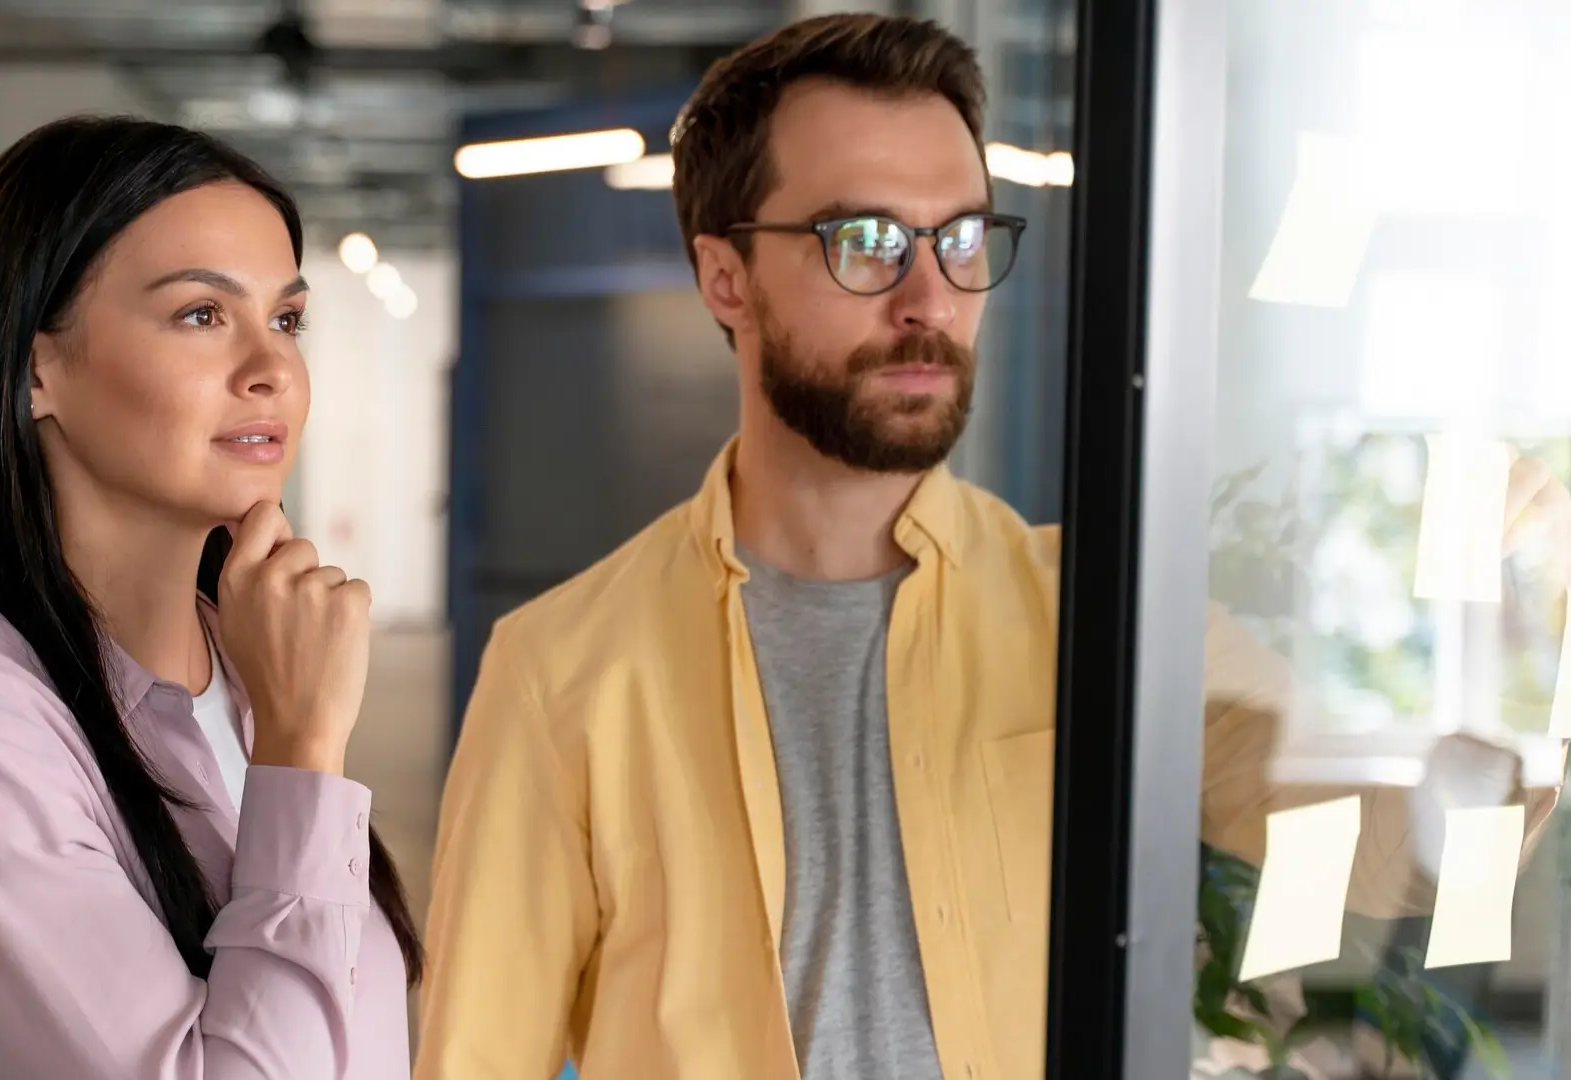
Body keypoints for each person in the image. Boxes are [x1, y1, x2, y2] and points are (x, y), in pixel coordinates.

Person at [413, 14, 1567, 1080]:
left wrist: (1521, 661)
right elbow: (476, 1060)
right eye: (866, 240)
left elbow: (1377, 854)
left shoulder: (1101, 615)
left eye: (961, 236)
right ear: (727, 277)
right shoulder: (563, 672)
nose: (931, 296)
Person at [0, 115, 420, 1080]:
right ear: (36, 368)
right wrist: (304, 752)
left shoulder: (254, 673)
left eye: (287, 320)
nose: (272, 370)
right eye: (202, 315)